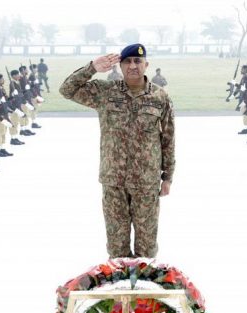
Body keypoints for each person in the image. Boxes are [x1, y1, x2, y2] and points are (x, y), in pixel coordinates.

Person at [60, 43, 175, 258]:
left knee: (147, 246)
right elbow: (67, 90)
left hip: (146, 182)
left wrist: (167, 177)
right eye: (128, 61)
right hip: (114, 181)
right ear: (120, 66)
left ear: (146, 64)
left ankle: (144, 290)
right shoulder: (105, 92)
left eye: (137, 61)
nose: (133, 66)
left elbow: (168, 138)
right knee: (117, 246)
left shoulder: (160, 97)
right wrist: (92, 67)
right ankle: (119, 290)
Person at [237, 64, 247, 134]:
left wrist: (237, 85)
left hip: (245, 98)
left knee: (245, 113)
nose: (241, 70)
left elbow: (246, 88)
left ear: (245, 70)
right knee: (244, 113)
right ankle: (246, 127)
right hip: (242, 97)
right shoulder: (244, 77)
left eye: (242, 69)